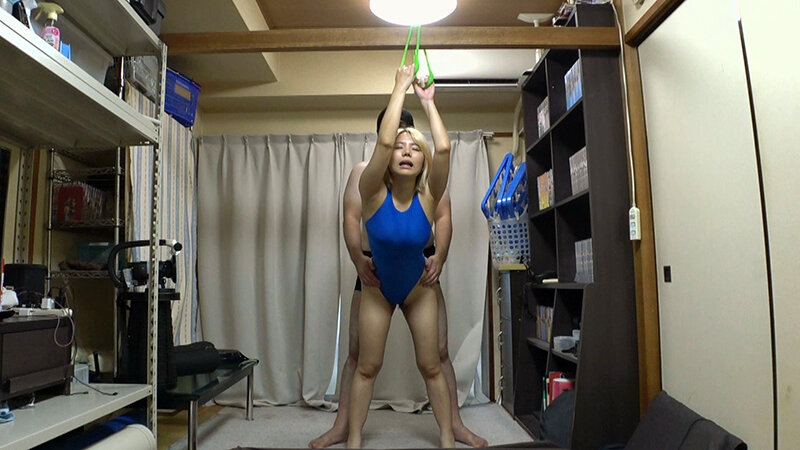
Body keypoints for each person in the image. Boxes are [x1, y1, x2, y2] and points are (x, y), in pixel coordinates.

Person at [309, 111, 487, 448]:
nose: (404, 148)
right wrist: (357, 260)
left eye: (410, 140)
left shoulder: (426, 176)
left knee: (438, 353)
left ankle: (454, 426)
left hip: (420, 268)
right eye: (394, 138)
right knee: (358, 355)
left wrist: (441, 256)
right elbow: (350, 217)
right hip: (373, 268)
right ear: (383, 138)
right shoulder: (365, 174)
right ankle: (343, 428)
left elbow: (444, 217)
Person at [345, 65, 453, 448]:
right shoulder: (371, 191)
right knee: (367, 366)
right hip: (378, 288)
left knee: (431, 366)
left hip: (417, 289)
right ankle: (354, 439)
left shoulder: (430, 196)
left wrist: (428, 102)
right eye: (399, 147)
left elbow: (443, 148)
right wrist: (399, 87)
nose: (406, 152)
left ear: (423, 160)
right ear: (388, 157)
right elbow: (383, 142)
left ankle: (447, 438)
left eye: (415, 148)